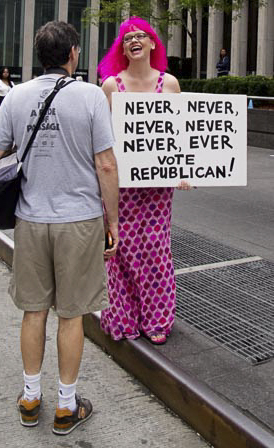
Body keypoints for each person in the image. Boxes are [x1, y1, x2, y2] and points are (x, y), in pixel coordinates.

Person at [0, 21, 119, 436]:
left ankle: (29, 398)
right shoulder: (91, 95)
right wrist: (112, 221)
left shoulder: (18, 94)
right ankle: (65, 406)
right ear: (73, 53)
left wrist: (28, 142)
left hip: (30, 218)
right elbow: (107, 164)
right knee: (73, 315)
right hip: (78, 221)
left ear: (38, 54)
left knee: (33, 311)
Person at [98, 17, 188, 346]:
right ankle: (123, 316)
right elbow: (102, 138)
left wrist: (184, 171)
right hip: (120, 184)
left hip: (158, 186)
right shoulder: (111, 86)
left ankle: (158, 318)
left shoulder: (170, 85)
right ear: (123, 48)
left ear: (152, 44)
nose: (134, 40)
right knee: (120, 251)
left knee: (155, 248)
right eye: (127, 38)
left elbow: (180, 136)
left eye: (141, 36)